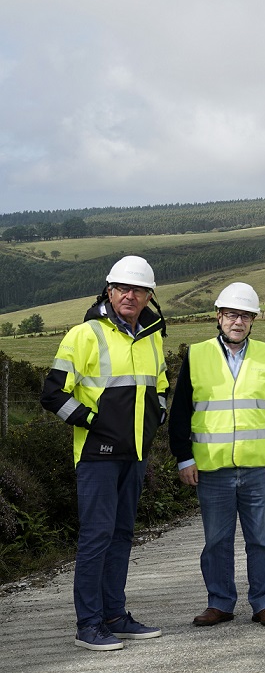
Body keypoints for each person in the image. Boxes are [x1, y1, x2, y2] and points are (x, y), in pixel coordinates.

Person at [41, 256, 169, 651]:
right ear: (109, 292)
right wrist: (92, 421)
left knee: (122, 534)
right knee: (96, 537)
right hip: (96, 455)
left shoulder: (152, 336)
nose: (130, 296)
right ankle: (89, 625)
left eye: (139, 290)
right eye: (123, 289)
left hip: (135, 453)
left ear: (149, 296)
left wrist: (158, 415)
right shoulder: (84, 334)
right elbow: (52, 394)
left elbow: (160, 385)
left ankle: (115, 616)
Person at [169, 282, 265, 629]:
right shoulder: (197, 354)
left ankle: (263, 603)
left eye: (246, 316)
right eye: (232, 314)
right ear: (219, 316)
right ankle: (220, 603)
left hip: (257, 468)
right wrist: (184, 457)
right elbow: (180, 412)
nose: (238, 321)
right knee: (216, 542)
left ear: (253, 321)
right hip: (212, 468)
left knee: (261, 541)